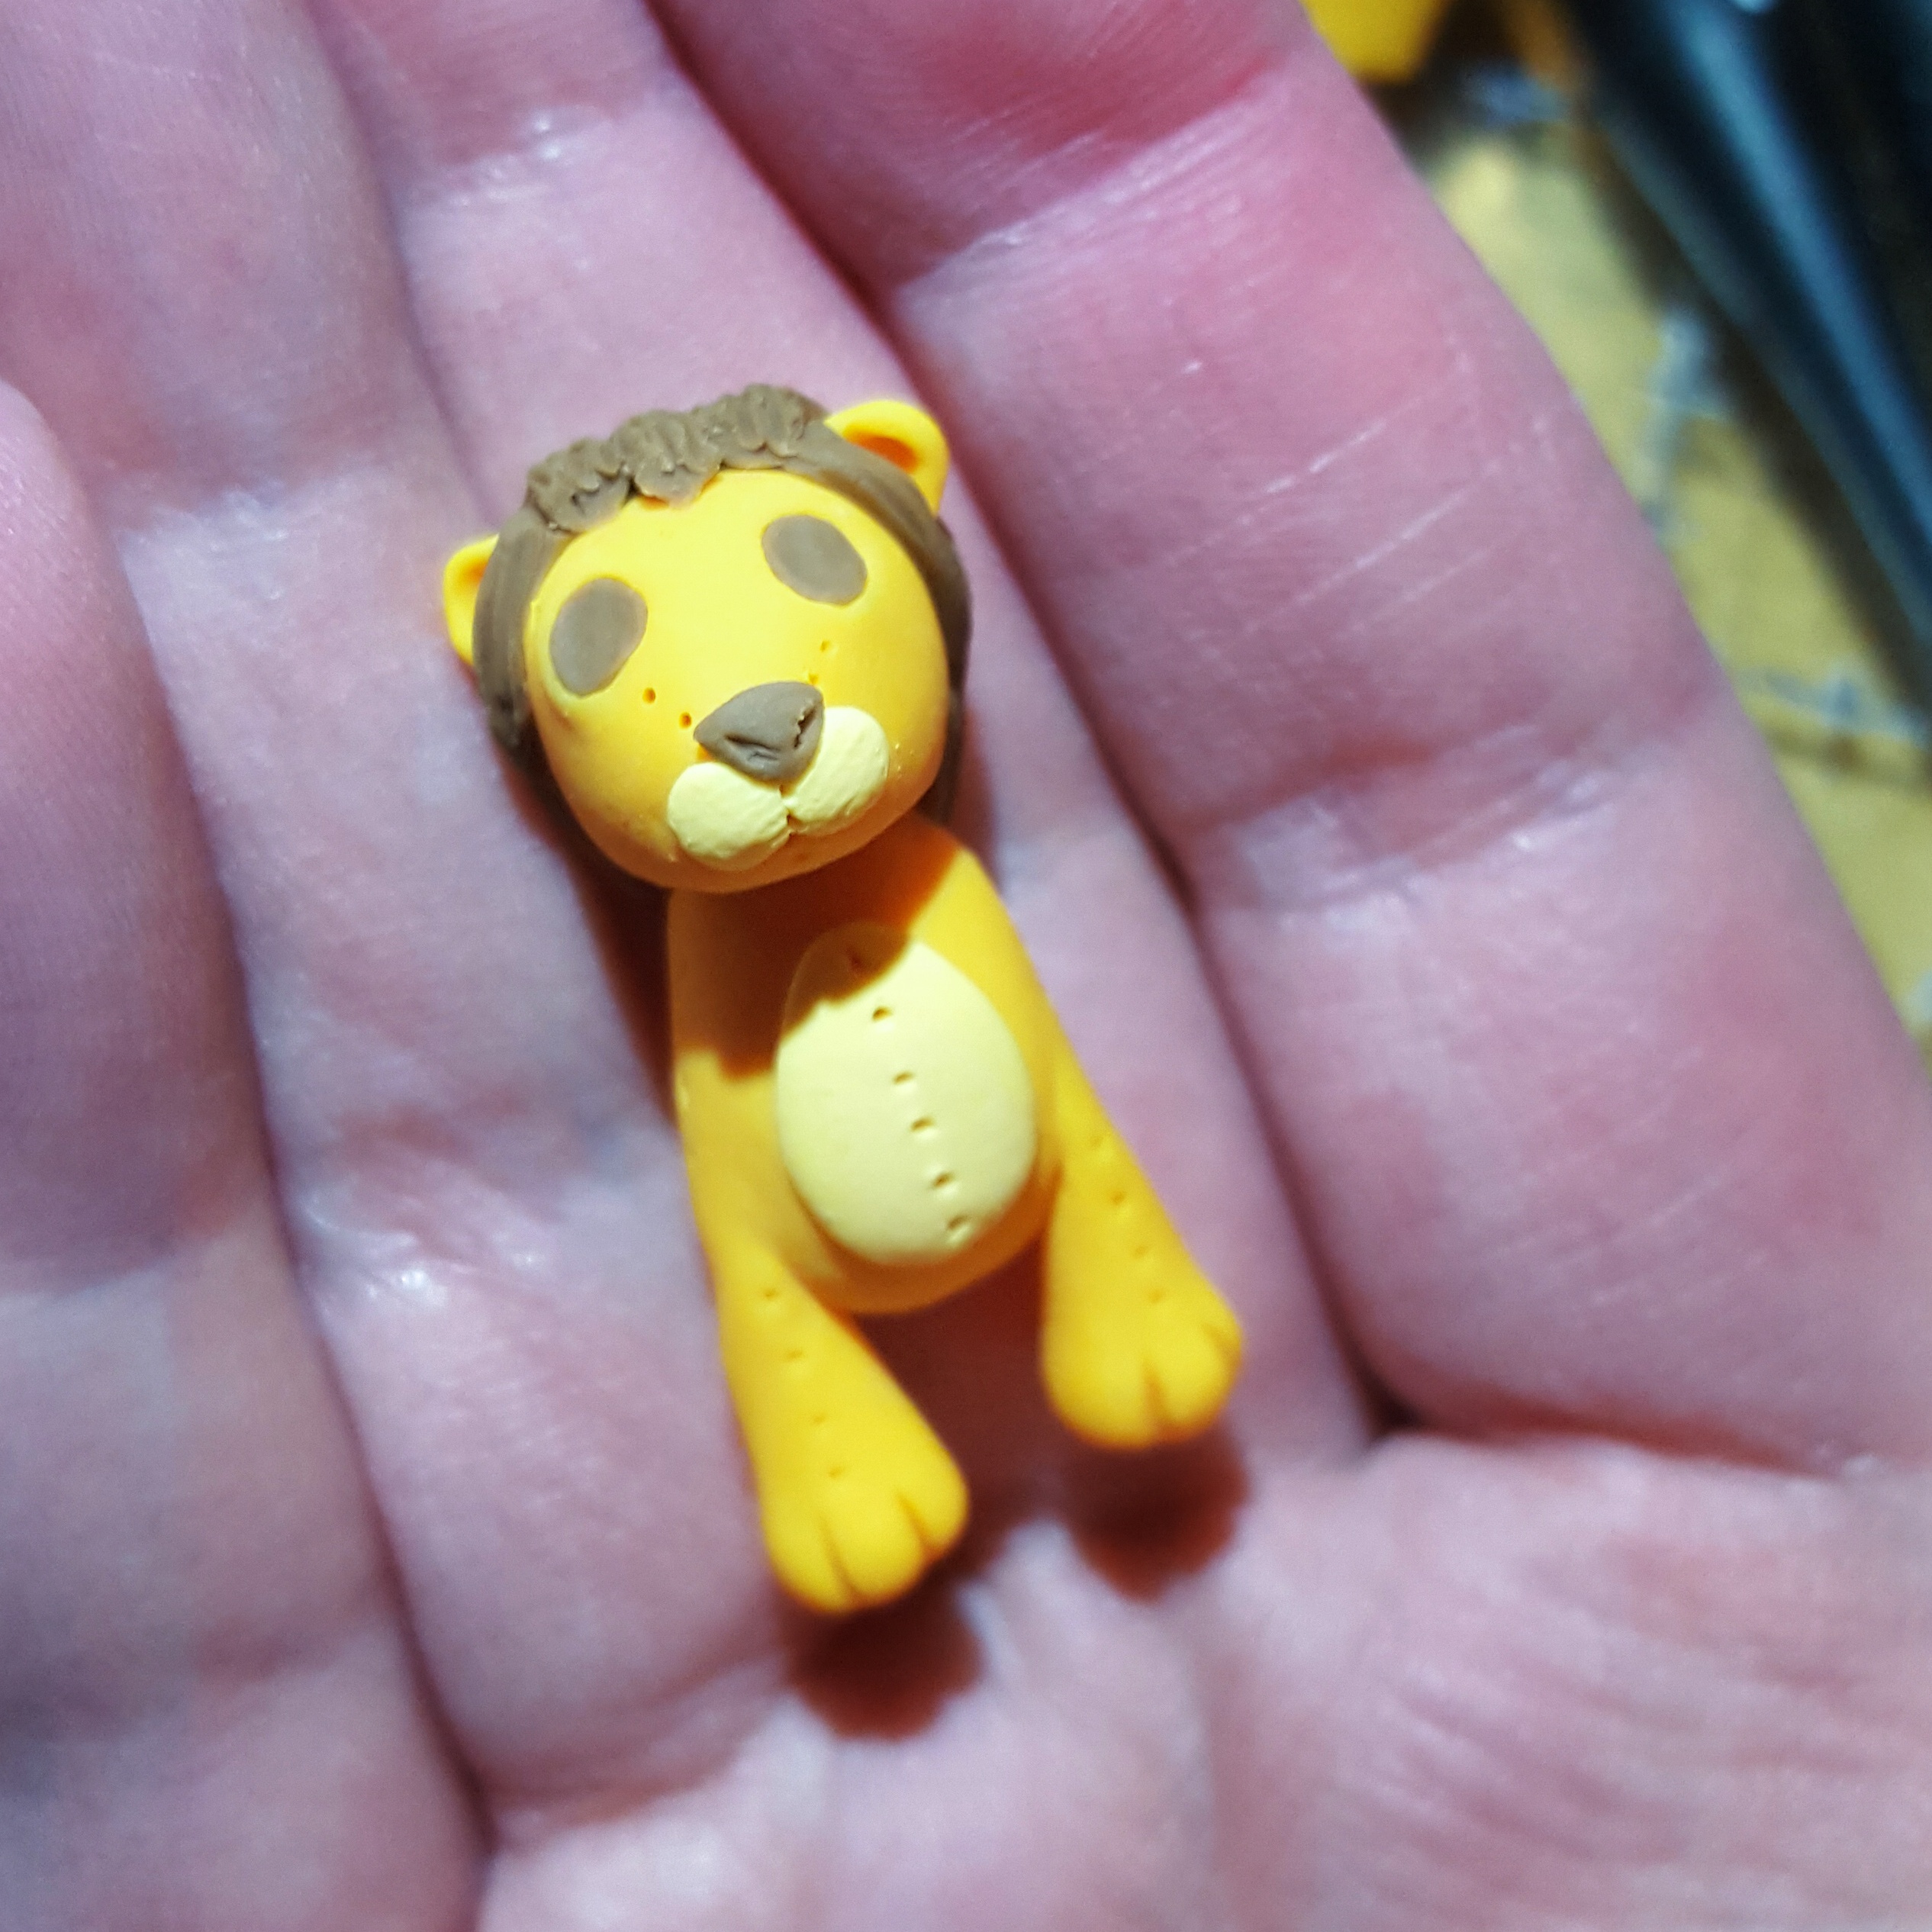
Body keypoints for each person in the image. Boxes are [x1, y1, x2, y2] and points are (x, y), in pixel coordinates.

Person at [4, 1, 1930, 1924]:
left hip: (1040, 1235)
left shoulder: (936, 877)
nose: (750, 713)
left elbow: (1063, 1111)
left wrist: (1122, 1287)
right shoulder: (709, 962)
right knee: (780, 1277)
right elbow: (751, 1226)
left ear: (900, 491)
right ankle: (837, 1431)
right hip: (830, 1290)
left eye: (814, 577)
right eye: (604, 655)